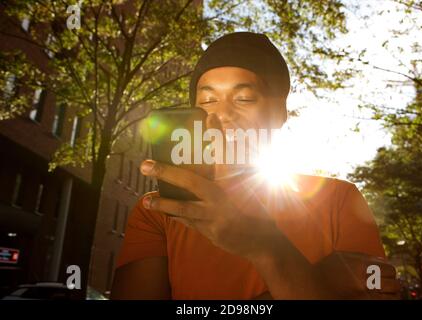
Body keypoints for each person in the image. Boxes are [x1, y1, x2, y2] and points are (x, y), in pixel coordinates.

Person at [110, 32, 400, 300]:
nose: (222, 114)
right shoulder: (161, 211)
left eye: (244, 98)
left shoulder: (339, 200)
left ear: (279, 113)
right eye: (208, 99)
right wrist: (317, 278)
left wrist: (265, 247)